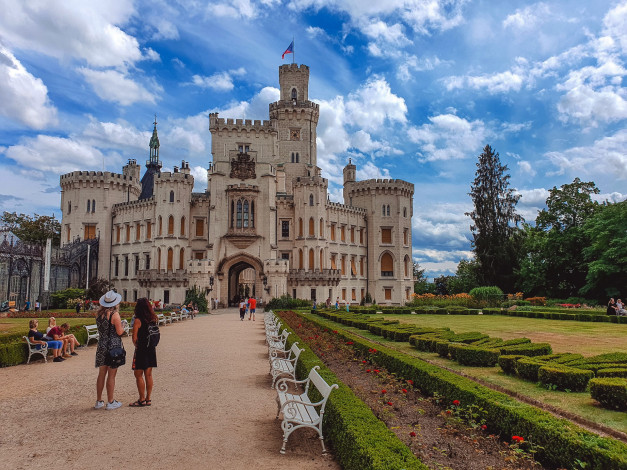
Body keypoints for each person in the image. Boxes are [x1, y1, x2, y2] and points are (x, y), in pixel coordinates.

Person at [94, 290, 125, 410]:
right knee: (111, 375)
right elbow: (119, 332)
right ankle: (111, 402)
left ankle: (99, 401)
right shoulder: (114, 315)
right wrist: (122, 325)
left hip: (102, 345)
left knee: (101, 374)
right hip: (113, 347)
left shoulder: (98, 314)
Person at [129, 298, 158, 407]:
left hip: (141, 349)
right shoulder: (153, 318)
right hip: (151, 349)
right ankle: (148, 398)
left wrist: (136, 345)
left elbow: (134, 337)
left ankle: (141, 399)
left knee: (138, 374)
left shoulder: (138, 320)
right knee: (149, 375)